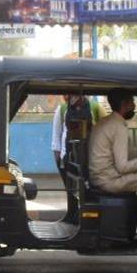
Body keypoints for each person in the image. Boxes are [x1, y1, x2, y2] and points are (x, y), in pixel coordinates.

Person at [88, 88, 137, 232]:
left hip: (99, 178)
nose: (134, 105)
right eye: (132, 102)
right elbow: (123, 167)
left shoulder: (103, 122)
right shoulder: (119, 127)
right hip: (111, 181)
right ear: (124, 104)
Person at [51, 93, 103, 223]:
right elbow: (56, 136)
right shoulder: (62, 109)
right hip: (68, 157)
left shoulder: (96, 107)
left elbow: (103, 131)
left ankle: (86, 220)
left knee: (87, 190)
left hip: (90, 158)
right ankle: (72, 216)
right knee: (71, 191)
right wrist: (58, 160)